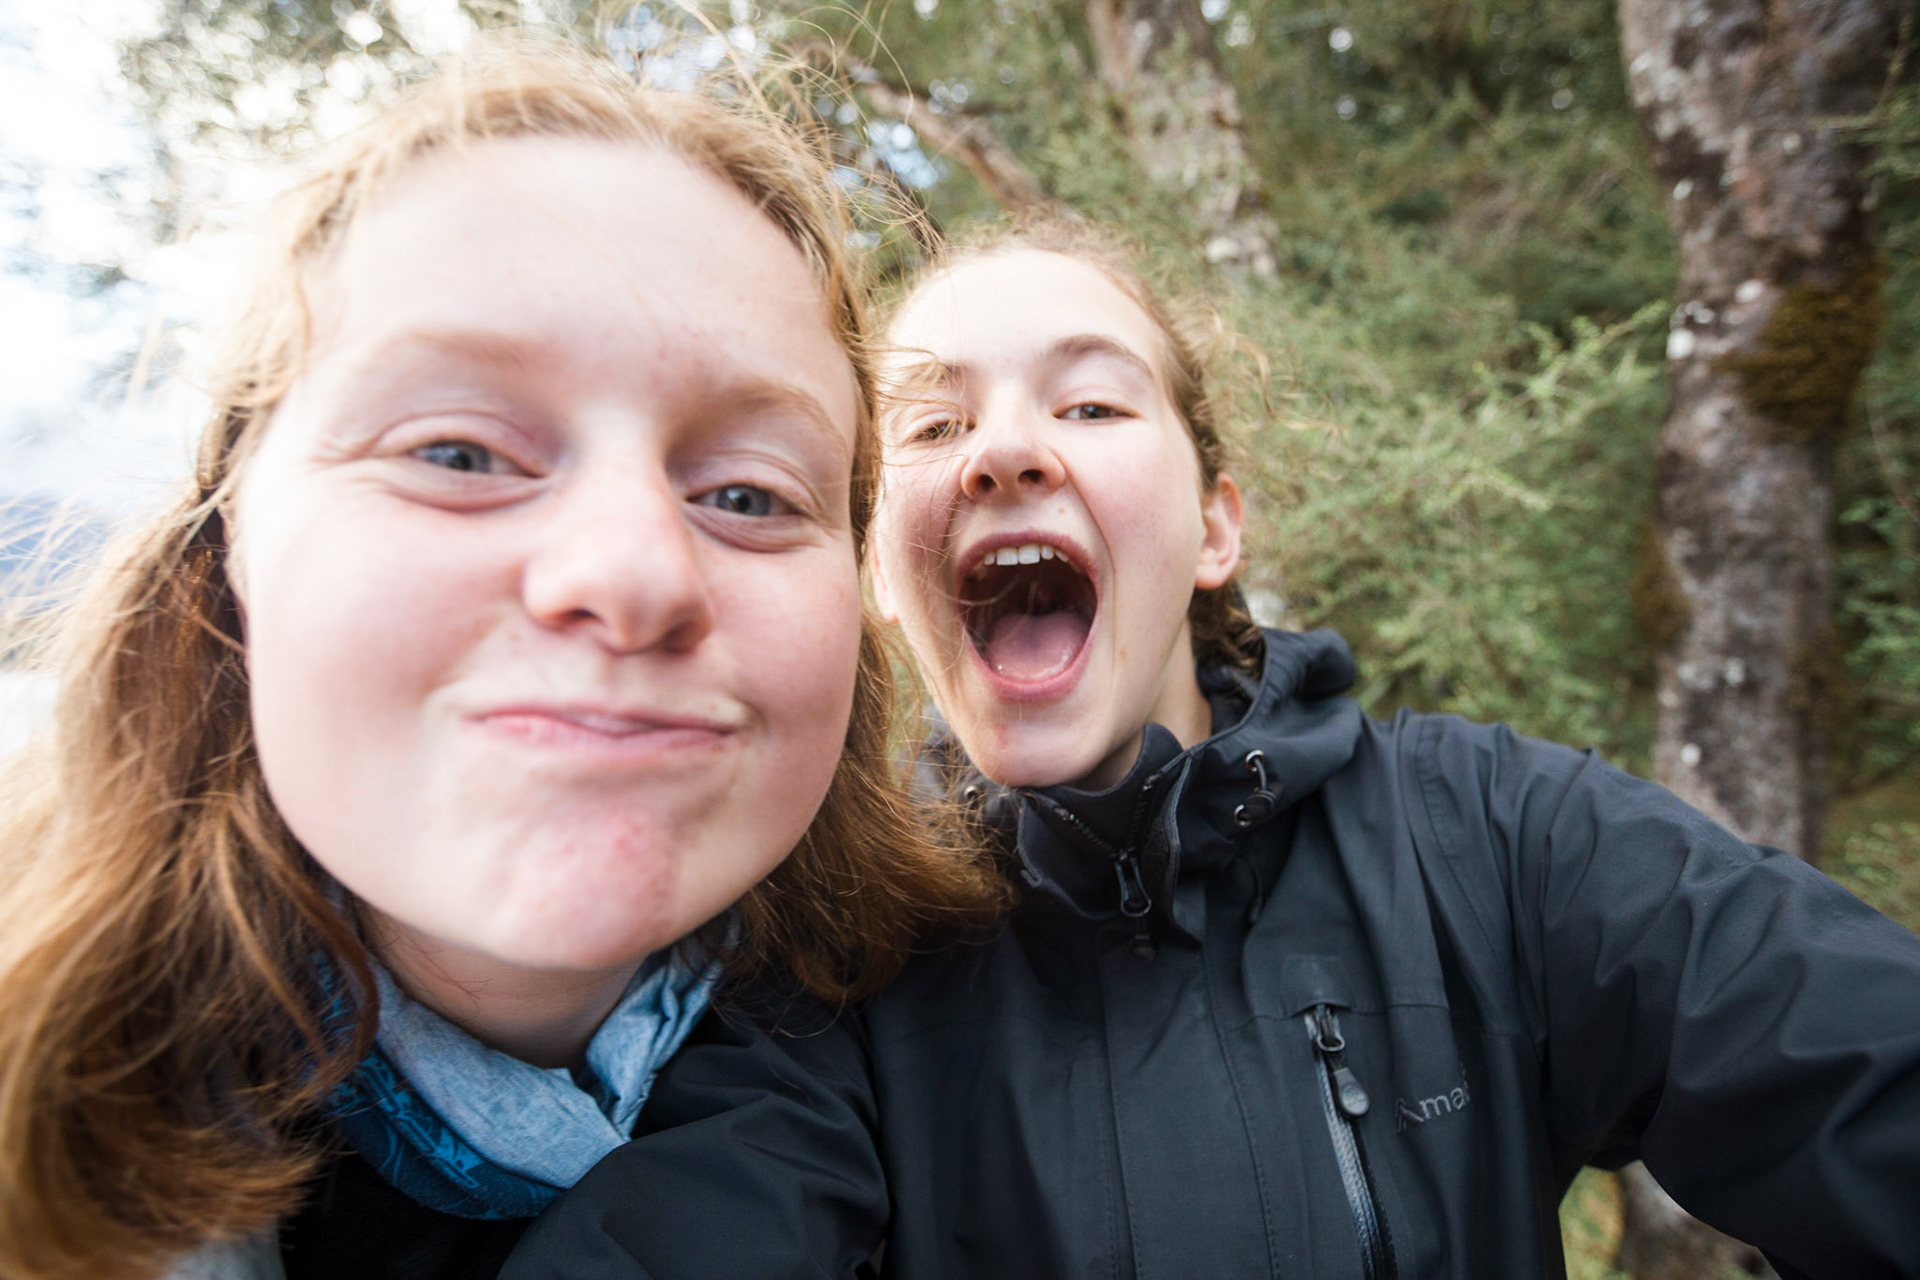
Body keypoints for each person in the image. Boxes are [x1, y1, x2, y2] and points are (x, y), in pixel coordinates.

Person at [508, 212, 1920, 1280]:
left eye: (1091, 403)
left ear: (1214, 527)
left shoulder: (1489, 837)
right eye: (935, 423)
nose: (1006, 452)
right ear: (881, 567)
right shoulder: (831, 967)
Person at [0, 42, 1006, 1280]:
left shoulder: (965, 1056)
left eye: (748, 492)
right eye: (459, 454)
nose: (634, 570)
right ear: (230, 545)